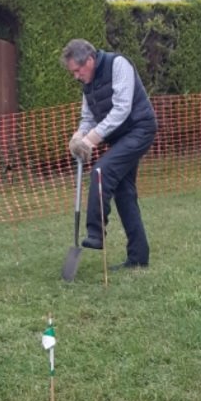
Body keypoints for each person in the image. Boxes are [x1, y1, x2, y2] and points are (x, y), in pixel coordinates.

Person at [61, 38, 157, 269]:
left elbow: (122, 108)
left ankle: (96, 232)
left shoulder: (118, 64)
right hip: (120, 137)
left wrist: (90, 140)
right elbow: (88, 117)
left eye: (77, 70)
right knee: (124, 193)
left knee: (101, 172)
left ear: (90, 60)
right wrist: (78, 136)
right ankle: (138, 257)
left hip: (139, 129)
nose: (76, 76)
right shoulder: (88, 83)